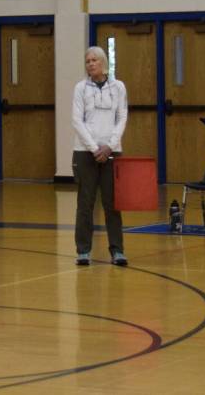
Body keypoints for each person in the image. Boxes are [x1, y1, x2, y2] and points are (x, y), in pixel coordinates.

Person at [71, 46, 129, 266]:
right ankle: (83, 250)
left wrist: (109, 146)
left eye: (94, 60)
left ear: (103, 62)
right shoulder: (80, 89)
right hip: (86, 152)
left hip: (111, 151)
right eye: (87, 61)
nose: (90, 64)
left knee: (112, 202)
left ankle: (117, 250)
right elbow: (77, 121)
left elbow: (122, 117)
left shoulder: (118, 87)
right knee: (85, 203)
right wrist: (95, 147)